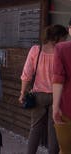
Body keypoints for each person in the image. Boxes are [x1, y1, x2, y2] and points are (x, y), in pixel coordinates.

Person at [20, 25, 68, 154]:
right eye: (65, 37)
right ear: (59, 37)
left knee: (35, 128)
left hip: (38, 95)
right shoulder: (62, 51)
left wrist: (22, 92)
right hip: (58, 95)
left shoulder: (36, 50)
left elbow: (27, 74)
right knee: (54, 130)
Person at [54, 20, 71, 153]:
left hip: (67, 108)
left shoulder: (62, 48)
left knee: (66, 150)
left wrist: (55, 107)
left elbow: (58, 80)